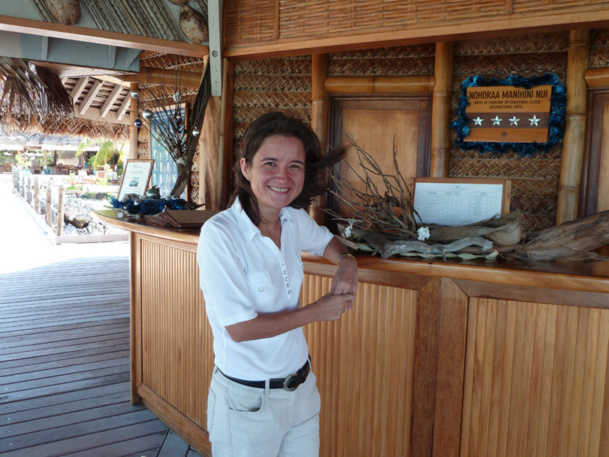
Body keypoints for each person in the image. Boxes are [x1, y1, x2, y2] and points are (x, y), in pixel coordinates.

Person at [197, 111, 358, 457]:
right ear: (246, 168)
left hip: (302, 392)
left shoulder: (293, 218)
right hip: (247, 405)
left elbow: (327, 242)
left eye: (295, 166)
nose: (283, 177)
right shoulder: (220, 234)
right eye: (270, 163)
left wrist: (347, 263)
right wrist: (317, 311)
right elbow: (239, 329)